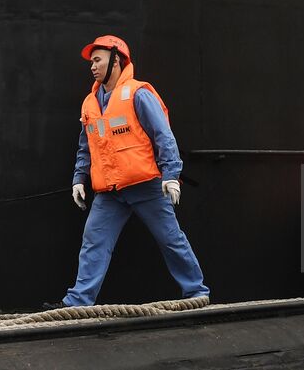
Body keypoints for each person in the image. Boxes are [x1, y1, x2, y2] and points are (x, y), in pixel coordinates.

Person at [59, 34, 209, 306]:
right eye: (91, 62)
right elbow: (87, 146)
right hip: (110, 191)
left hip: (145, 186)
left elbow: (163, 135)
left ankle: (196, 292)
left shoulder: (138, 94)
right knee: (94, 244)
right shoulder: (90, 103)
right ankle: (78, 303)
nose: (92, 66)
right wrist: (79, 178)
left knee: (171, 240)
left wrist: (171, 175)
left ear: (116, 61)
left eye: (97, 60)